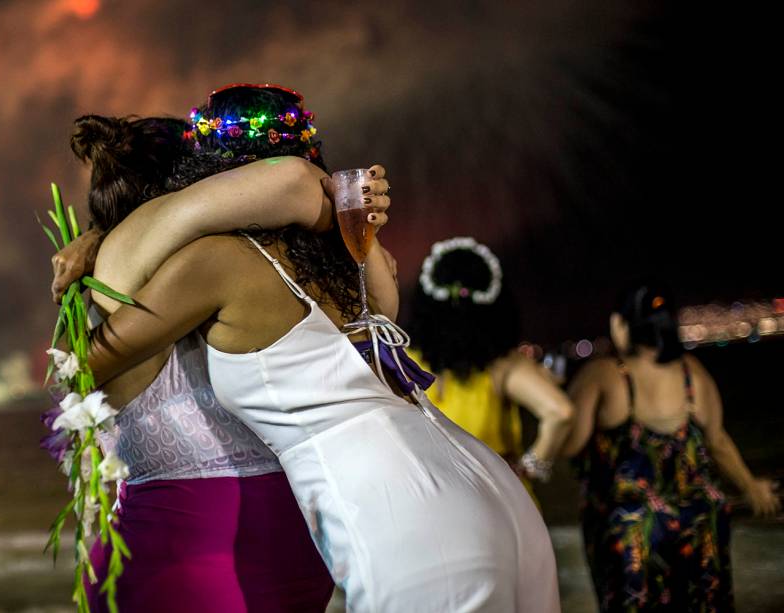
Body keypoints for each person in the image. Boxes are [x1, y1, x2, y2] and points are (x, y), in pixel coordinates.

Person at [85, 84, 560, 612]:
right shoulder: (340, 260)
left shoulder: (218, 261)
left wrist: (96, 254)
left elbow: (86, 356)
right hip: (488, 487)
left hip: (400, 507)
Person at [54, 86, 395, 612]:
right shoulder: (169, 263)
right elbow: (294, 183)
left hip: (249, 553)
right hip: (203, 558)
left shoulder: (176, 270)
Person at [562, 283, 780, 612]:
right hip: (699, 525)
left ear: (621, 325)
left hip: (634, 536)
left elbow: (571, 443)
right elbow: (717, 440)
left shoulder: (604, 374)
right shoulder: (692, 372)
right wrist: (751, 488)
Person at [408, 237, 575, 492]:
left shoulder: (404, 360)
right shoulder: (504, 365)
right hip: (497, 499)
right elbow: (561, 412)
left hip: (431, 497)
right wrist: (529, 469)